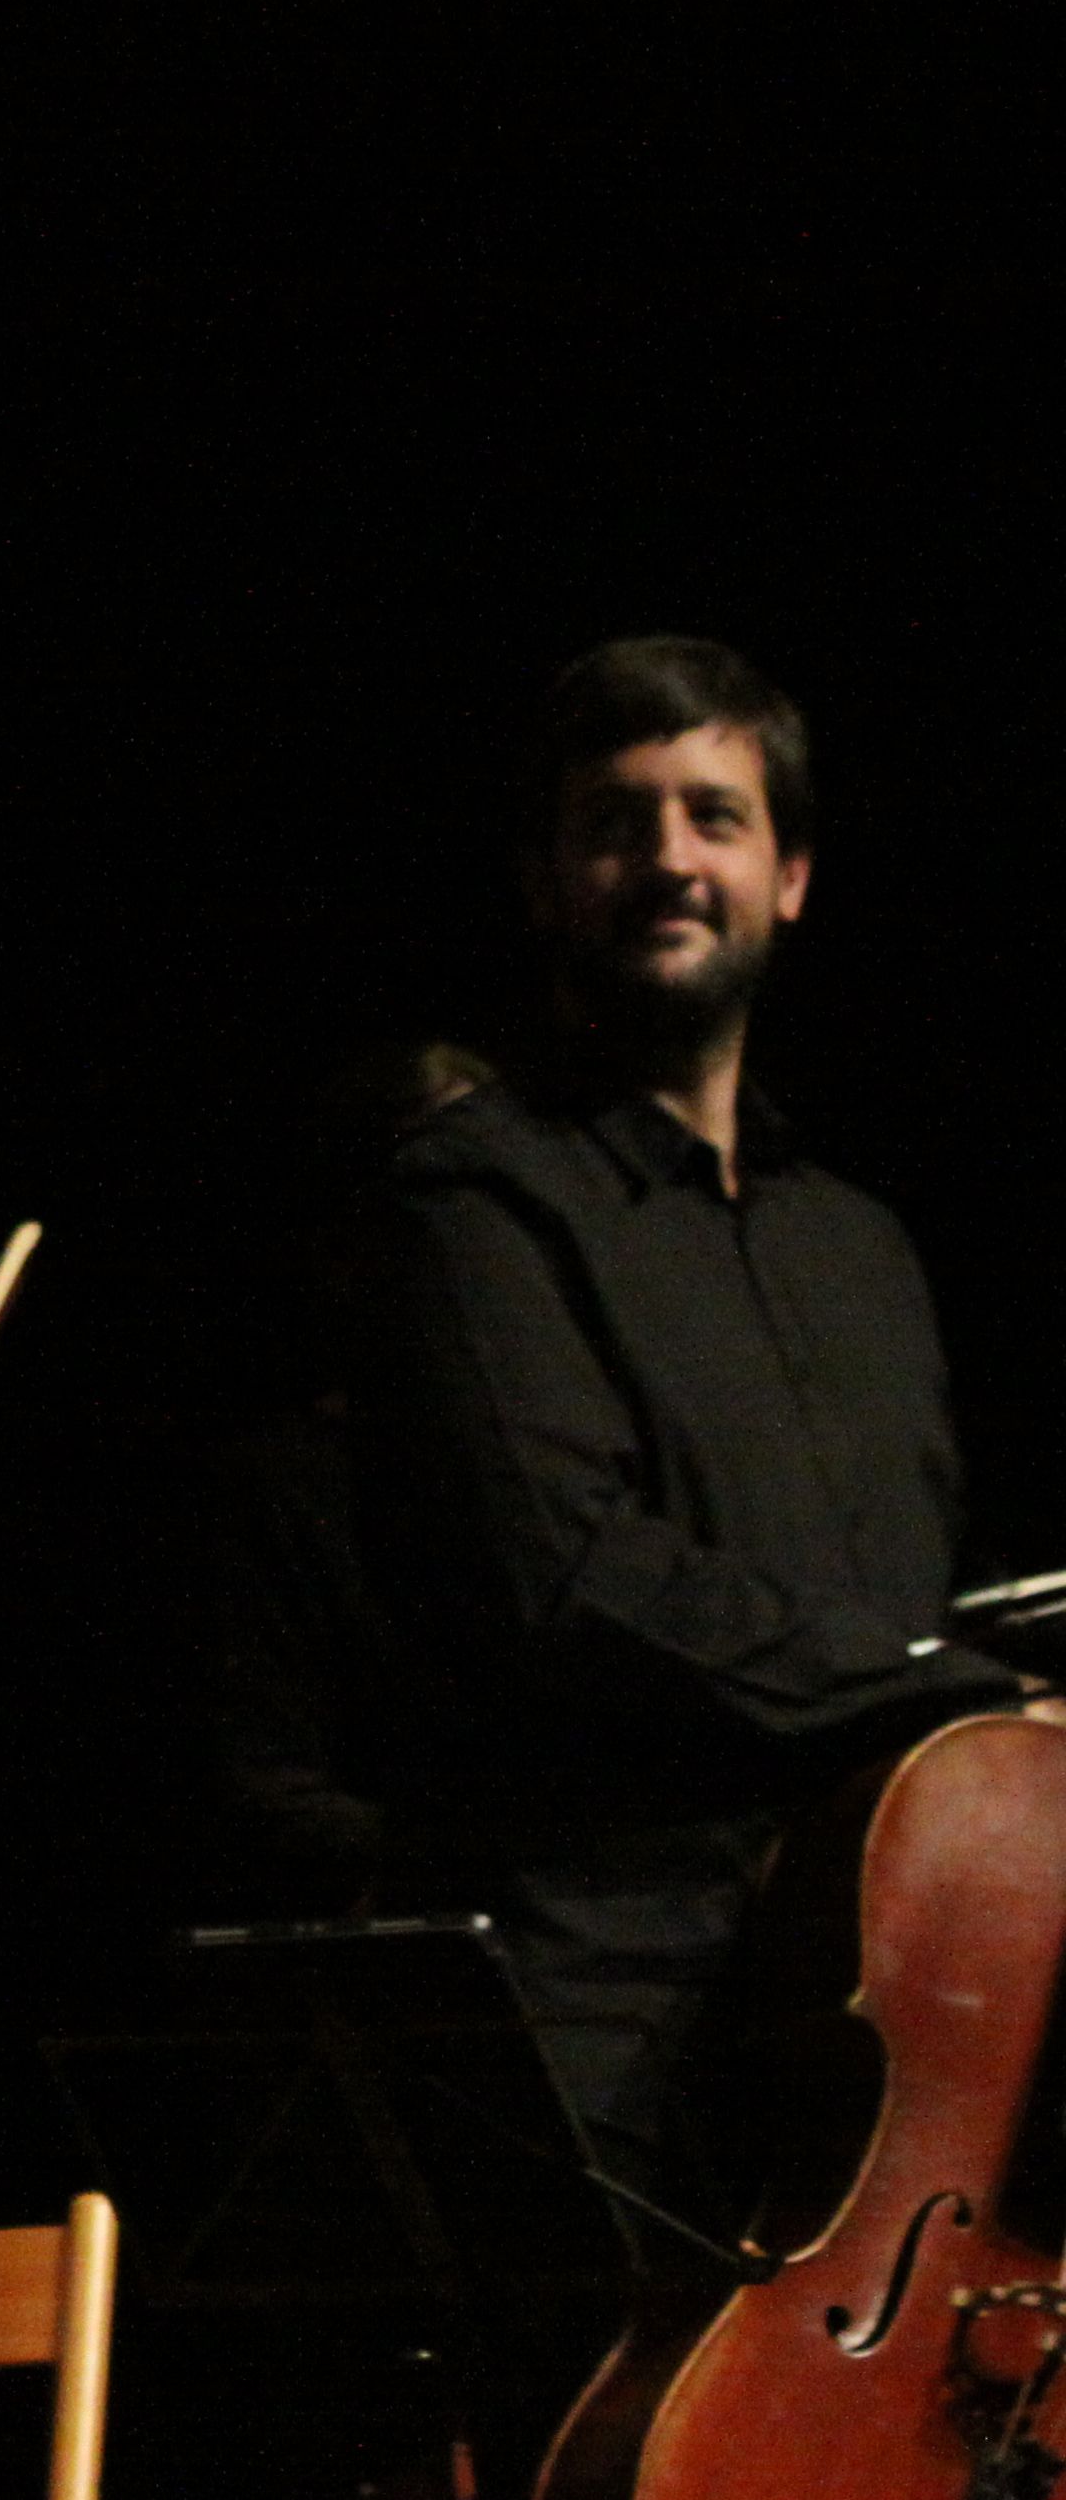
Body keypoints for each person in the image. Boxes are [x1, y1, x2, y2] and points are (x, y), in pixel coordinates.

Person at [355, 637, 1016, 2226]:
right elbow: (570, 1580)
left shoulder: (859, 1246)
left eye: (714, 817)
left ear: (789, 876)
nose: (668, 859)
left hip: (903, 1991)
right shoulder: (477, 1203)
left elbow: (910, 1585)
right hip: (630, 2018)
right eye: (617, 822)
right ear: (545, 884)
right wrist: (964, 1699)